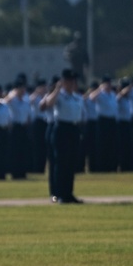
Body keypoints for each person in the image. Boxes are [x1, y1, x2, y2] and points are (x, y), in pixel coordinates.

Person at [40, 69, 84, 204]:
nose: (72, 83)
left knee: (71, 163)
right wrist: (57, 89)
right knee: (61, 163)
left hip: (73, 128)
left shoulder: (77, 97)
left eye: (73, 81)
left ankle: (69, 193)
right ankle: (59, 194)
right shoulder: (59, 95)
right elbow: (48, 104)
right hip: (61, 129)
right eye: (69, 81)